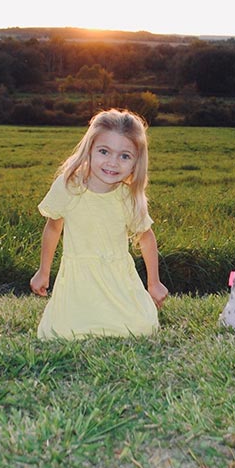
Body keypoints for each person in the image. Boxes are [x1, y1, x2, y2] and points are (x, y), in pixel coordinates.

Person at [30, 108, 168, 339]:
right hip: (78, 280)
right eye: (104, 151)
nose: (113, 163)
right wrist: (44, 272)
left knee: (142, 328)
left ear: (136, 162)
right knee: (58, 332)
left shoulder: (128, 197)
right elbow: (53, 228)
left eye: (125, 156)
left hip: (118, 279)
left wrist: (154, 283)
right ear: (90, 150)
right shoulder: (69, 187)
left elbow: (145, 236)